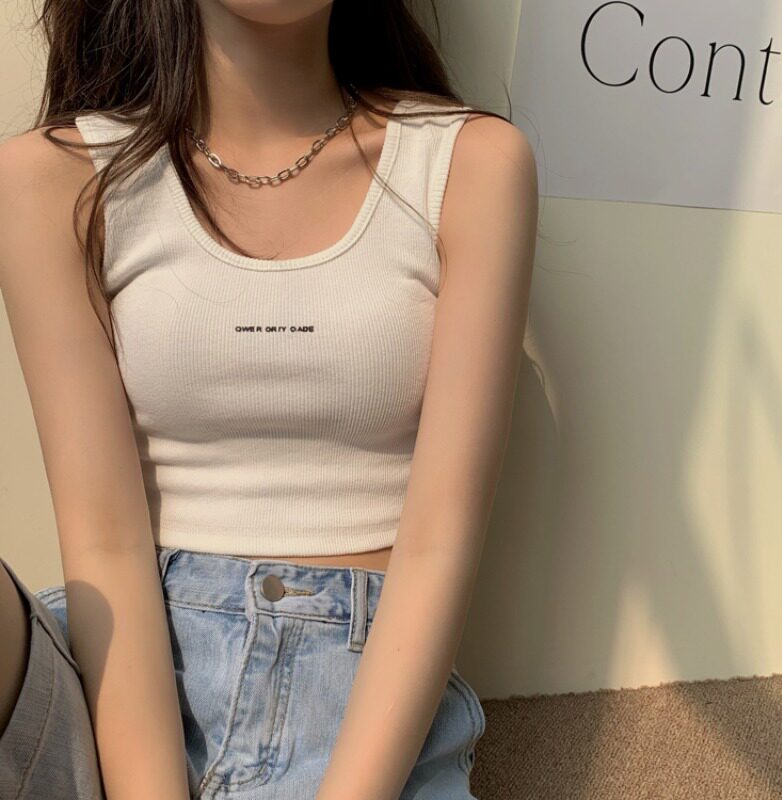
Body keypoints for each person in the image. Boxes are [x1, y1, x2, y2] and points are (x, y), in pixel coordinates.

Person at [0, 1, 538, 798]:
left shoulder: (468, 164)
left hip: (358, 702)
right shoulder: (54, 176)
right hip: (116, 690)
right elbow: (104, 540)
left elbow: (439, 542)